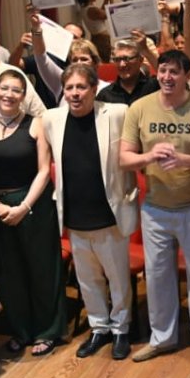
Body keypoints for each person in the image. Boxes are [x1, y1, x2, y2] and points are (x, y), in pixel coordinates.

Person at [119, 50, 190, 368]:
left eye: (174, 71)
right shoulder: (139, 108)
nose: (167, 77)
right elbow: (124, 158)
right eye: (162, 70)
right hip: (155, 208)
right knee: (158, 276)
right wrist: (149, 156)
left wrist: (184, 159)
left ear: (188, 76)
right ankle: (162, 337)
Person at [43, 64, 137, 361]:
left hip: (109, 212)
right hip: (75, 214)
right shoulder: (51, 118)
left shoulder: (117, 113)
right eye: (69, 87)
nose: (75, 93)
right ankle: (99, 327)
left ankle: (121, 329)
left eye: (81, 87)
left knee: (118, 278)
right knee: (87, 279)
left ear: (95, 89)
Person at [0, 69, 63, 357]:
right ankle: (21, 331)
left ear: (24, 96)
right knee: (7, 274)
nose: (9, 95)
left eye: (16, 90)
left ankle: (47, 331)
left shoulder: (36, 124)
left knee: (42, 269)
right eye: (5, 88)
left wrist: (24, 207)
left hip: (32, 202)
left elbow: (44, 170)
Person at [97, 39, 159, 105]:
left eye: (127, 59)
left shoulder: (154, 86)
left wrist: (145, 50)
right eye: (117, 60)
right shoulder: (105, 95)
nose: (122, 65)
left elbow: (164, 71)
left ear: (140, 60)